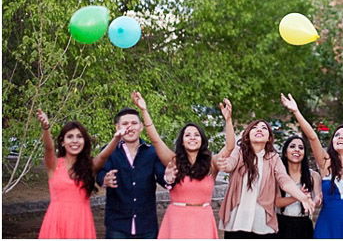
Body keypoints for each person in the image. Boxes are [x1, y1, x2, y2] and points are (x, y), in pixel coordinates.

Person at [131, 91, 235, 239]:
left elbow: (230, 147)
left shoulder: (211, 163)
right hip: (177, 220)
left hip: (203, 220)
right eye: (187, 135)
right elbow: (155, 140)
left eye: (196, 135)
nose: (192, 138)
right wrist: (144, 110)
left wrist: (228, 120)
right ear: (182, 141)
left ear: (202, 140)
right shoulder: (174, 161)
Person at [281, 90, 343, 239]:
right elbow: (312, 137)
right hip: (327, 227)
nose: (340, 137)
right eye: (337, 135)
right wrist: (296, 111)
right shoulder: (325, 164)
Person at [36, 109, 129, 239]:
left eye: (79, 137)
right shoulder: (54, 164)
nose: (75, 141)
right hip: (56, 221)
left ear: (84, 141)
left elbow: (103, 156)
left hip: (82, 222)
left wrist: (116, 138)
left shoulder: (89, 166)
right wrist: (46, 127)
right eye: (70, 137)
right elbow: (49, 148)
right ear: (62, 142)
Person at [217, 120, 316, 238]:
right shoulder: (239, 152)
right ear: (247, 135)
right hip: (237, 220)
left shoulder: (273, 158)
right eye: (254, 127)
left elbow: (284, 181)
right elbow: (229, 165)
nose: (259, 129)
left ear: (269, 138)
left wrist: (302, 197)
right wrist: (224, 164)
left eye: (264, 128)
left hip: (262, 223)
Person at [97, 107, 168, 238]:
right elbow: (99, 172)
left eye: (134, 123)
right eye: (125, 124)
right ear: (117, 127)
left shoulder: (152, 152)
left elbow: (164, 178)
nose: (130, 127)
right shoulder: (109, 151)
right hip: (117, 225)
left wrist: (170, 177)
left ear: (141, 126)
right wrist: (104, 179)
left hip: (146, 225)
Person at [275, 135, 322, 238]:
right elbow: (277, 202)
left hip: (304, 225)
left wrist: (314, 202)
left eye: (301, 148)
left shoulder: (313, 176)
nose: (297, 149)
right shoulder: (278, 175)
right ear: (285, 153)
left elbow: (317, 197)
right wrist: (299, 196)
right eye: (292, 146)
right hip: (281, 223)